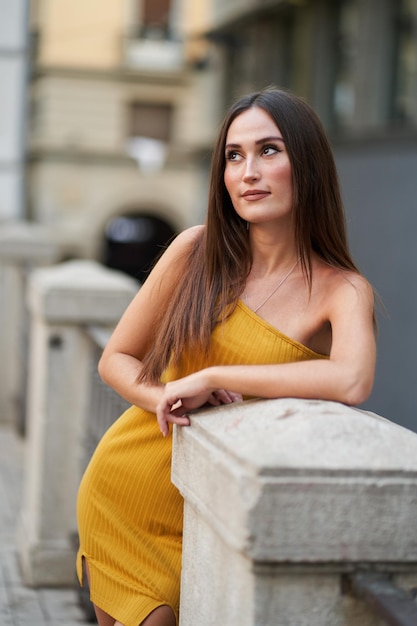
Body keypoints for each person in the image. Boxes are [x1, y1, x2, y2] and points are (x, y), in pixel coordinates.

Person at [76, 86, 376, 626]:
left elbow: (352, 380)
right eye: (233, 156)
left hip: (223, 514)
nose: (247, 171)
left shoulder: (343, 290)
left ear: (305, 164)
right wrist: (165, 395)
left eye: (269, 150)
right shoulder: (195, 250)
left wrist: (212, 373)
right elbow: (116, 356)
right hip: (128, 489)